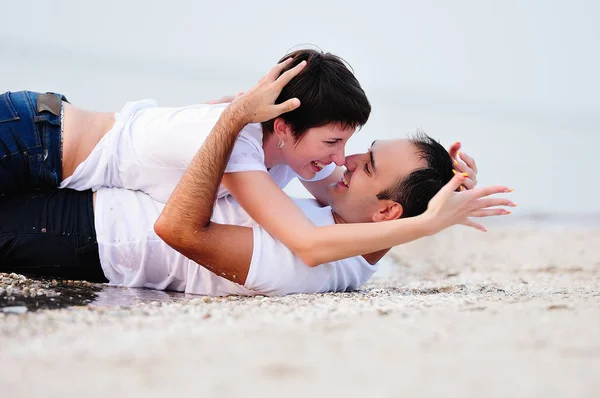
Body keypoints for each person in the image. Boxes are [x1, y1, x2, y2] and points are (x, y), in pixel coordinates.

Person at [0, 66, 513, 296]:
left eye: (367, 165)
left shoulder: (316, 263)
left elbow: (308, 245)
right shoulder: (330, 199)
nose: (346, 160)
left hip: (76, 221)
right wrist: (449, 190)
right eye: (347, 146)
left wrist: (428, 223)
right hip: (43, 142)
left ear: (386, 213)